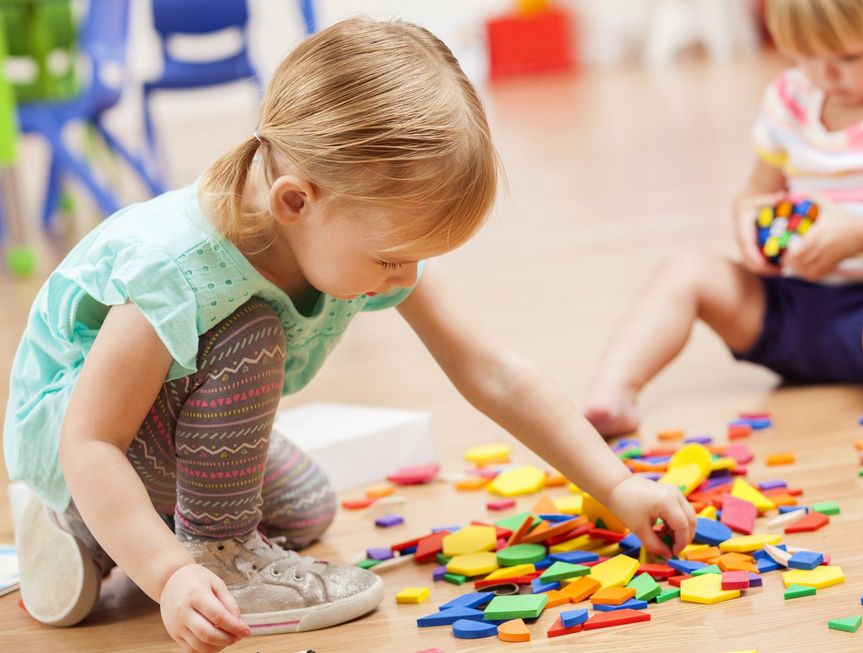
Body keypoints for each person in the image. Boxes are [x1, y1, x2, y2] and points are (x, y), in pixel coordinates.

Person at [4, 17, 695, 653]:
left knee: (308, 506)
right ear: (296, 202)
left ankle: (94, 536)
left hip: (147, 430)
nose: (405, 274)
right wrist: (171, 574)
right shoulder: (181, 269)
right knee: (252, 335)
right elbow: (90, 438)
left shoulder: (349, 234)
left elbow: (491, 370)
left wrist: (618, 483)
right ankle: (164, 541)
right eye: (393, 256)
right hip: (79, 434)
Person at [583, 0, 863, 465]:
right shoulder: (791, 97)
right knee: (685, 269)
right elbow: (756, 193)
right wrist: (749, 225)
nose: (825, 74)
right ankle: (613, 394)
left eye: (850, 57)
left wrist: (861, 235)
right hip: (791, 306)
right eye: (804, 56)